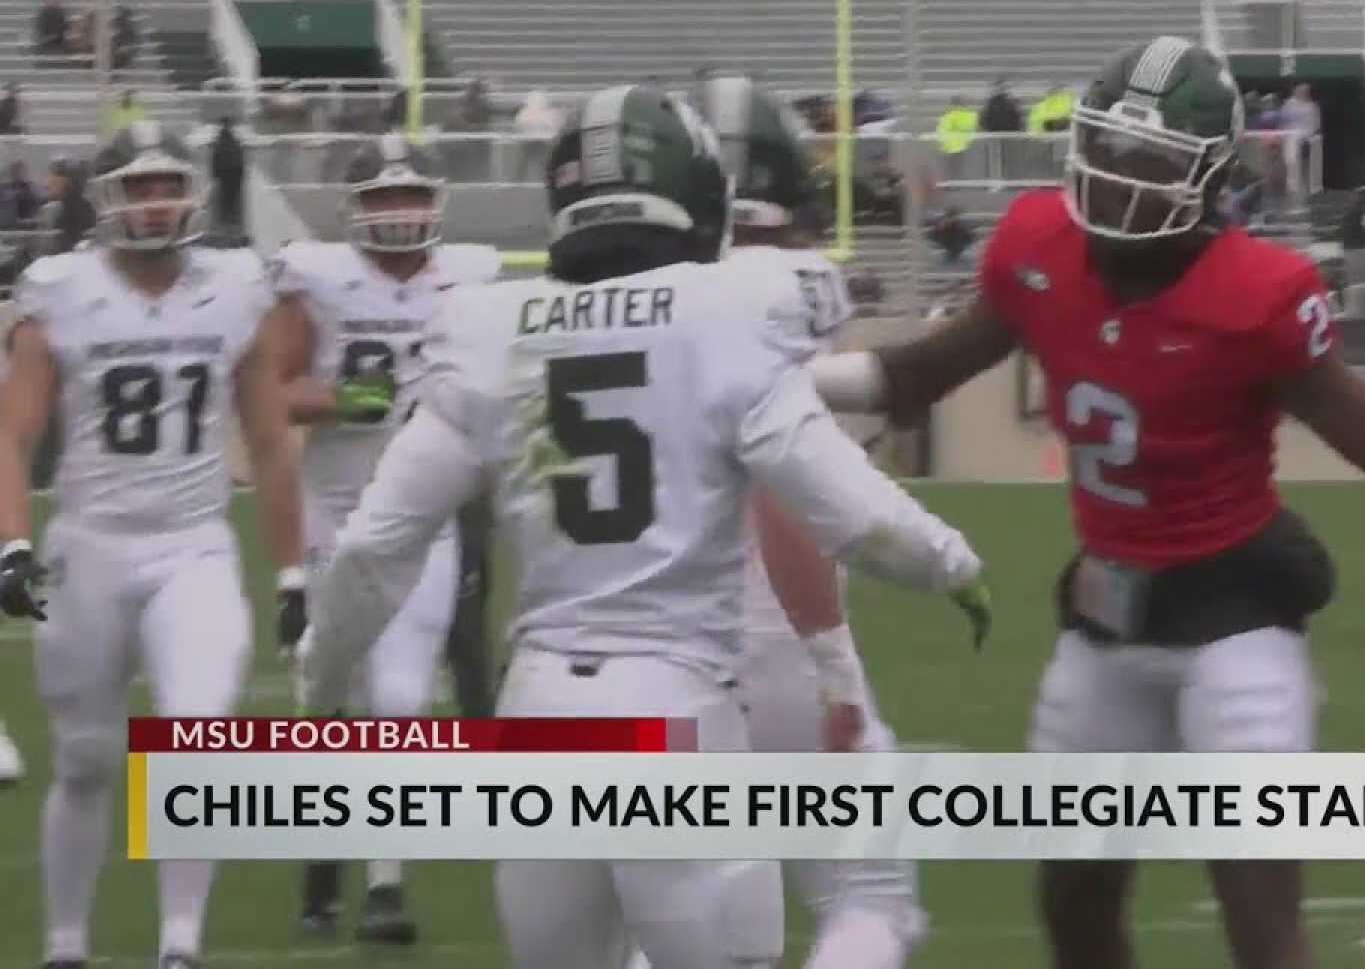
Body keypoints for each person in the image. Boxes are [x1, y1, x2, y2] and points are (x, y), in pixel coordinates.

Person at [808, 35, 1365, 969]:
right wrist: (785, 382)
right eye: (1104, 147)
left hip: (1235, 625)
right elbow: (915, 376)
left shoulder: (1258, 297)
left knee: (1257, 900)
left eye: (1148, 159)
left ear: (1212, 177)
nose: (1114, 177)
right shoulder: (1039, 247)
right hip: (1107, 620)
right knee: (1070, 894)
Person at [299, 85, 990, 969]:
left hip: (540, 716)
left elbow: (372, 547)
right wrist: (950, 564)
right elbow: (849, 509)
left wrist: (322, 668)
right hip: (674, 709)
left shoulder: (490, 327)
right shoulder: (730, 310)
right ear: (695, 196)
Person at [0, 121, 306, 969]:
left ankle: (181, 945)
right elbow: (13, 434)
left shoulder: (235, 286)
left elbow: (273, 438)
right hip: (88, 548)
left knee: (198, 738)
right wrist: (12, 544)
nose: (155, 202)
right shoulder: (59, 289)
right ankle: (66, 945)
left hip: (193, 546)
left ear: (194, 192)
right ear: (107, 200)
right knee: (88, 759)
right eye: (137, 187)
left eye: (167, 183)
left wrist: (290, 569)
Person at [689, 70, 931, 969]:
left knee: (684, 915)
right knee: (868, 898)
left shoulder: (619, 296)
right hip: (765, 633)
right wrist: (835, 666)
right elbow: (781, 489)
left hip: (631, 654)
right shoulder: (790, 288)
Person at [273, 135, 502, 944]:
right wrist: (342, 398)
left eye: (410, 197)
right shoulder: (322, 280)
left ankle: (384, 885)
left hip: (425, 518)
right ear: (355, 210)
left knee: (401, 697)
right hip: (335, 510)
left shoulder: (470, 282)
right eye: (382, 199)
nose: (399, 213)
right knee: (324, 690)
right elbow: (272, 392)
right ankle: (322, 854)